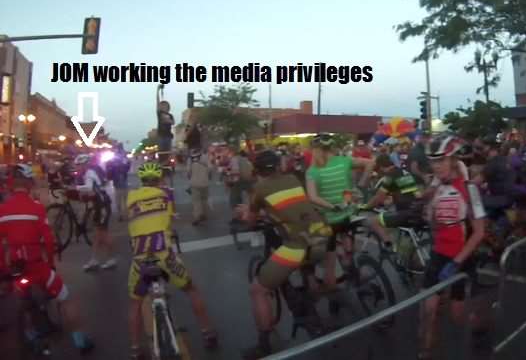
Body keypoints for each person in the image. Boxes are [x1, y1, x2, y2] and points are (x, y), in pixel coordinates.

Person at [236, 150, 332, 359]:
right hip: (321, 236)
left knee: (257, 290)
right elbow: (289, 205)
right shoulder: (292, 178)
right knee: (307, 265)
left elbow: (250, 220)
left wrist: (245, 212)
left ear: (257, 170)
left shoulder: (259, 189)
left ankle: (263, 346)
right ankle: (312, 296)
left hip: (298, 245)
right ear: (279, 166)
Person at [0, 164, 94, 354]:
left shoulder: (2, 210)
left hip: (15, 268)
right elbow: (49, 241)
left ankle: (30, 334)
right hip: (37, 266)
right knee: (65, 298)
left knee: (16, 303)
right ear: (29, 184)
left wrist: (3, 271)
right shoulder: (36, 208)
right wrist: (51, 264)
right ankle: (80, 340)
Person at [126, 162, 217, 360]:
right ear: (160, 179)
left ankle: (134, 349)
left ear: (142, 180)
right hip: (164, 255)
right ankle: (207, 332)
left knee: (135, 304)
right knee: (191, 289)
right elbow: (169, 217)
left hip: (140, 259)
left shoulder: (131, 197)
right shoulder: (166, 194)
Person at [418, 136, 487, 360]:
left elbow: (479, 233)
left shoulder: (470, 190)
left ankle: (479, 325)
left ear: (453, 159)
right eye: (433, 162)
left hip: (461, 257)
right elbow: (429, 210)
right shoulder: (436, 185)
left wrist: (457, 262)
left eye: (441, 161)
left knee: (458, 316)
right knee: (429, 310)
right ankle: (426, 353)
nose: (436, 167)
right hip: (438, 255)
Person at [305, 133, 373, 287]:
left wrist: (332, 206)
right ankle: (349, 262)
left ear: (315, 150)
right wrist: (361, 184)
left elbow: (313, 198)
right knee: (346, 236)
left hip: (330, 219)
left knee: (327, 260)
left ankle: (333, 293)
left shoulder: (313, 171)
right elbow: (370, 163)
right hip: (349, 212)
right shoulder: (344, 161)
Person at [363, 154, 422, 248]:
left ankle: (390, 247)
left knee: (374, 221)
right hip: (418, 210)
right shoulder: (402, 172)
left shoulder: (390, 176)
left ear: (381, 167)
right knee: (407, 251)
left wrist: (365, 206)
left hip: (406, 213)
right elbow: (406, 193)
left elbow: (378, 198)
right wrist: (388, 202)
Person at [74, 154, 117, 271]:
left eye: (78, 165)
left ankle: (111, 259)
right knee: (97, 235)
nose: (76, 168)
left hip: (102, 206)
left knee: (103, 234)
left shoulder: (89, 173)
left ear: (84, 164)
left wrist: (75, 188)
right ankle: (94, 260)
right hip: (101, 205)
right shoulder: (93, 171)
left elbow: (88, 187)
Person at [187, 149, 212, 225]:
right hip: (205, 183)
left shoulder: (190, 159)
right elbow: (210, 168)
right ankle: (204, 214)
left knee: (196, 201)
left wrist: (190, 177)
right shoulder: (205, 157)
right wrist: (208, 176)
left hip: (194, 184)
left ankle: (198, 217)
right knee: (204, 199)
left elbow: (188, 172)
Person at [156, 100, 175, 164]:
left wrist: (167, 120)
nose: (164, 107)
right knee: (161, 151)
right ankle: (161, 165)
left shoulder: (170, 115)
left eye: (165, 106)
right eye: (162, 106)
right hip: (161, 135)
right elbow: (157, 102)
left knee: (167, 152)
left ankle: (167, 166)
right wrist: (157, 91)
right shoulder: (160, 113)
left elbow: (173, 122)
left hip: (168, 136)